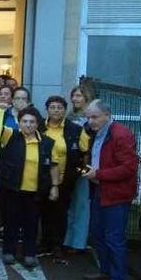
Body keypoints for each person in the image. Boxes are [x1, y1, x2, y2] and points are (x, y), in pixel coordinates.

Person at [82, 99, 138, 280]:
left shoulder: (121, 134)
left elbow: (128, 168)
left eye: (95, 117)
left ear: (107, 115)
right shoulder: (99, 132)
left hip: (116, 194)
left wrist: (98, 174)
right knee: (97, 233)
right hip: (100, 189)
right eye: (88, 117)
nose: (91, 121)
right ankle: (106, 271)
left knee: (114, 237)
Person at [0, 106, 60, 268]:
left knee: (31, 223)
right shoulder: (9, 136)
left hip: (35, 192)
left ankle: (29, 253)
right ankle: (8, 251)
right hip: (12, 189)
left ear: (37, 123)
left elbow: (53, 166)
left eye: (32, 122)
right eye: (24, 121)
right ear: (19, 123)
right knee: (11, 221)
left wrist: (54, 186)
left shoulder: (47, 143)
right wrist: (0, 111)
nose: (28, 125)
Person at [40, 95, 88, 262]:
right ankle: (45, 243)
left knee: (60, 213)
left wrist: (78, 171)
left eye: (59, 107)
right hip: (42, 178)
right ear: (47, 109)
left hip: (65, 179)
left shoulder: (74, 129)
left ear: (65, 110)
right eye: (52, 107)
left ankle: (57, 245)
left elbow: (84, 150)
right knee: (44, 211)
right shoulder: (39, 127)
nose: (56, 110)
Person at [64, 85, 94, 252]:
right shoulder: (70, 116)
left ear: (86, 98)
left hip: (84, 166)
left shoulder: (90, 119)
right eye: (73, 95)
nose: (75, 99)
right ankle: (69, 239)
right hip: (70, 165)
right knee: (70, 204)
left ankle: (78, 242)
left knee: (81, 204)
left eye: (79, 96)